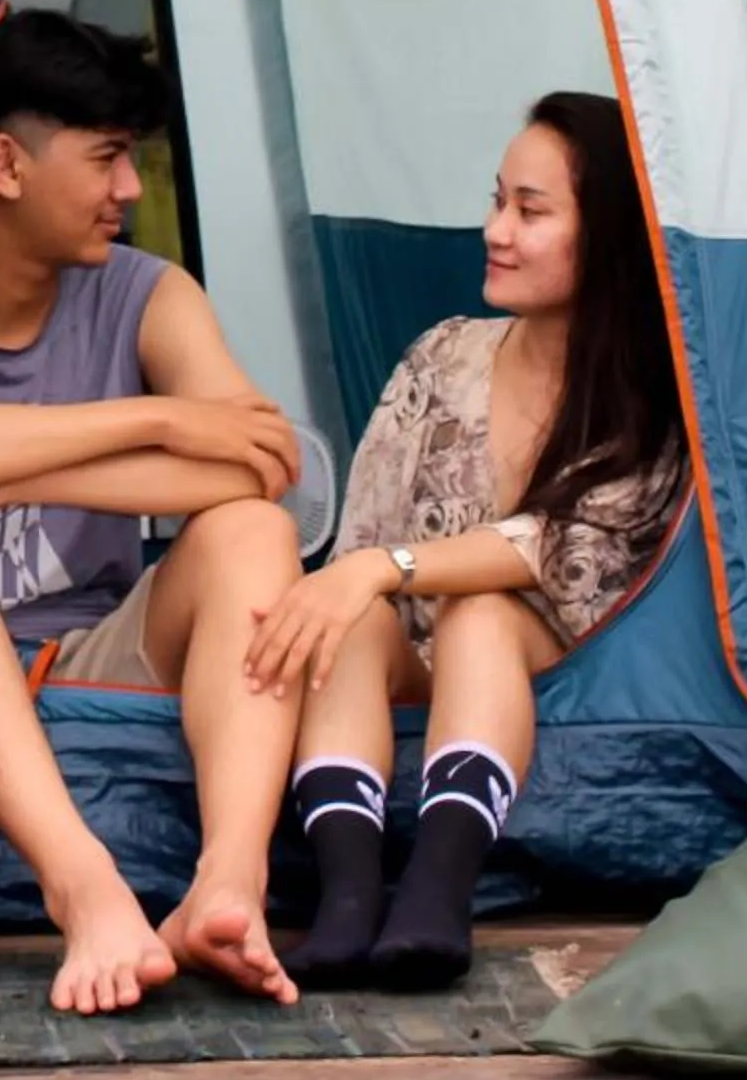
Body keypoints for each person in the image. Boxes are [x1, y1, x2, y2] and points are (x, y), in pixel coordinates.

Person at [0, 10, 311, 1017]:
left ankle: (228, 881)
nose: (129, 190)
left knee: (255, 535)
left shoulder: (150, 295)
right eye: (108, 158)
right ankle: (83, 883)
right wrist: (159, 420)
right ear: (5, 164)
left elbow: (261, 466)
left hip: (93, 644)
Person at [245, 90, 690, 992]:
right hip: (415, 662)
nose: (495, 230)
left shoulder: (657, 390)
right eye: (497, 201)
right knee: (353, 623)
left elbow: (569, 548)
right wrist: (356, 581)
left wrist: (388, 567)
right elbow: (363, 540)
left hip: (557, 662)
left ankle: (438, 891)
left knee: (479, 613)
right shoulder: (443, 354)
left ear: (603, 234)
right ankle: (348, 899)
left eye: (530, 212)